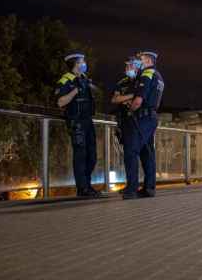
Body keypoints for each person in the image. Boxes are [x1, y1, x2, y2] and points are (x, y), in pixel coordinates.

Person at [55, 53, 101, 198]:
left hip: (88, 121)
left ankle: (87, 185)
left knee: (92, 156)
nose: (84, 64)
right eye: (81, 62)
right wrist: (75, 91)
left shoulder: (84, 79)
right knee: (80, 156)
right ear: (75, 64)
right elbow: (60, 102)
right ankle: (82, 189)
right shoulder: (66, 80)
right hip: (76, 122)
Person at [122, 51, 164, 200]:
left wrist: (130, 110)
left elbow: (138, 100)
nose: (138, 62)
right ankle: (149, 188)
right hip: (151, 116)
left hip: (143, 117)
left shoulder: (146, 74)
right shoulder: (159, 76)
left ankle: (131, 189)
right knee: (147, 153)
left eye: (140, 60)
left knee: (131, 151)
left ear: (147, 60)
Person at [111, 57, 139, 145]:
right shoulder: (121, 83)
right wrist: (132, 96)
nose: (127, 68)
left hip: (138, 120)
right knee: (126, 150)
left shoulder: (142, 81)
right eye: (126, 66)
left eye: (130, 66)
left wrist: (123, 98)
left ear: (137, 67)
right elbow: (115, 99)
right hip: (123, 120)